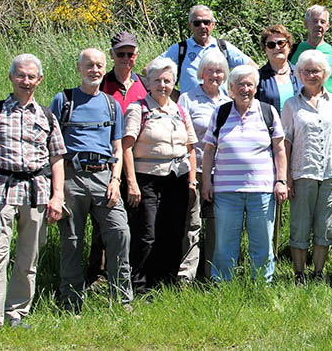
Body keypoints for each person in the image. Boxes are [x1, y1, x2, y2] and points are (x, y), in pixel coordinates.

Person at [0, 54, 66, 335]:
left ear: (39, 80)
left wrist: (57, 196)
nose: (26, 81)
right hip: (0, 192)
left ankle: (16, 312)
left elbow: (57, 158)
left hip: (37, 194)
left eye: (31, 76)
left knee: (28, 258)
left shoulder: (46, 116)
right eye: (21, 76)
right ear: (11, 77)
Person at [51, 48, 132, 314]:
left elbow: (118, 149)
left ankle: (121, 300)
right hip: (71, 177)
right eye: (89, 65)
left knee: (120, 232)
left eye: (99, 66)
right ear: (78, 68)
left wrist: (115, 181)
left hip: (104, 177)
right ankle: (71, 301)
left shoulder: (111, 105)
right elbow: (51, 147)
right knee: (72, 240)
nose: (94, 70)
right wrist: (56, 190)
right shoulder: (63, 101)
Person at [201, 65, 287, 282]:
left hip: (262, 190)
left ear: (256, 88)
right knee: (225, 243)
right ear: (231, 88)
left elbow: (279, 149)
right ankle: (223, 286)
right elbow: (209, 150)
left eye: (249, 84)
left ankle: (261, 285)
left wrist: (281, 180)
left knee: (262, 243)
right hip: (226, 191)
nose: (245, 89)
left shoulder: (268, 112)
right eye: (240, 84)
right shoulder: (220, 113)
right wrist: (206, 182)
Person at [123, 57, 197, 291]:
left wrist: (192, 180)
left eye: (167, 81)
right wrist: (131, 183)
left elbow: (190, 148)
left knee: (174, 231)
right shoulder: (138, 109)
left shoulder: (180, 110)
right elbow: (126, 147)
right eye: (157, 80)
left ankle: (166, 281)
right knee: (147, 233)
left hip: (177, 179)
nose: (162, 85)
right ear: (148, 82)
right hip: (147, 178)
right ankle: (141, 285)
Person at [283, 50, 332, 283]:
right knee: (300, 225)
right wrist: (286, 177)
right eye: (307, 71)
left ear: (325, 73)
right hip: (303, 172)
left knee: (326, 224)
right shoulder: (291, 105)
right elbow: (286, 142)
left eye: (316, 71)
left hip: (331, 171)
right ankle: (299, 274)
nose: (312, 75)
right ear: (299, 74)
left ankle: (319, 273)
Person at [87, 31, 148, 288]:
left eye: (130, 54)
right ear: (111, 55)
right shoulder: (101, 84)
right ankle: (97, 275)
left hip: (138, 161)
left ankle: (128, 273)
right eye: (120, 54)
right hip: (107, 160)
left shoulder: (144, 84)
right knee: (102, 222)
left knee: (134, 220)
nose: (126, 58)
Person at [177, 50, 231, 281]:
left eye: (219, 71)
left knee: (217, 227)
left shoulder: (229, 101)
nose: (215, 75)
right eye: (210, 70)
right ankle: (186, 277)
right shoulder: (187, 99)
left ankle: (212, 275)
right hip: (195, 171)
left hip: (223, 173)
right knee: (192, 224)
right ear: (201, 73)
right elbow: (183, 137)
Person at [158, 4, 256, 95]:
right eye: (197, 23)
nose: (202, 26)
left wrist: (236, 92)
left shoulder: (222, 47)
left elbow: (252, 67)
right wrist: (173, 94)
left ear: (213, 24)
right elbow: (148, 70)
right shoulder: (180, 49)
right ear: (189, 26)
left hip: (220, 109)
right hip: (191, 110)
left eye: (206, 22)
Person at [289, 4, 332, 95]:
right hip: (299, 105)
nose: (318, 25)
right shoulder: (293, 51)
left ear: (327, 26)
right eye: (314, 21)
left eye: (322, 22)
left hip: (330, 106)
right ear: (306, 24)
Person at [255, 24, 302, 115]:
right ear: (265, 49)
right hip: (269, 128)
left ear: (289, 46)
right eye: (271, 45)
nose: (277, 47)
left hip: (299, 128)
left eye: (281, 43)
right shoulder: (258, 78)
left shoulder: (302, 73)